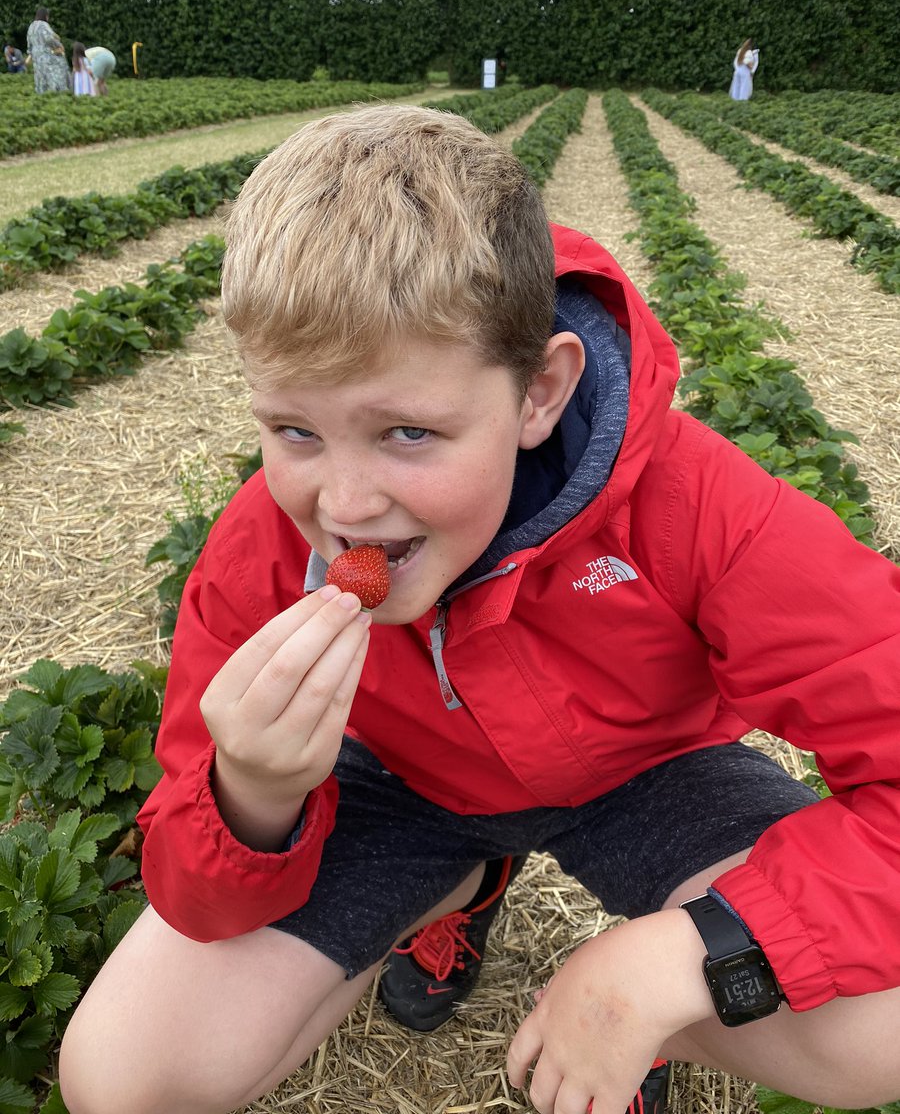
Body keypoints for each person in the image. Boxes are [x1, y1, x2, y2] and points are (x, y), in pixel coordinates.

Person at [58, 104, 900, 1114]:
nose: (345, 504)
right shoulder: (259, 548)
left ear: (540, 392)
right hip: (395, 784)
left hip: (647, 772)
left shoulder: (696, 504)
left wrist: (681, 960)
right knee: (123, 1078)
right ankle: (463, 882)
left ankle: (627, 1024)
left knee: (879, 1035)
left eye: (409, 431)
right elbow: (194, 889)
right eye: (294, 429)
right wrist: (253, 794)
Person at [25, 6, 69, 93]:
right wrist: (58, 45)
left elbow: (29, 43)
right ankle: (57, 91)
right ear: (45, 16)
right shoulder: (43, 25)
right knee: (56, 71)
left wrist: (31, 53)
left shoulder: (31, 26)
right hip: (46, 54)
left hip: (36, 56)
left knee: (40, 76)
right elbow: (49, 38)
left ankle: (41, 92)